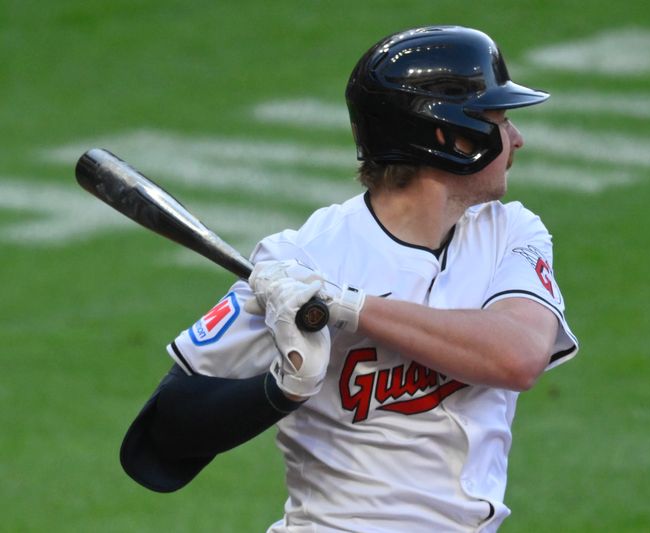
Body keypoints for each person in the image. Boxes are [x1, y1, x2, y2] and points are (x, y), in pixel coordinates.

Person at [120, 25, 579, 532]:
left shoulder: (510, 232)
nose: (517, 138)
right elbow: (158, 442)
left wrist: (349, 307)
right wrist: (284, 388)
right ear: (451, 136)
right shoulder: (302, 260)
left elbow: (516, 356)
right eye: (499, 118)